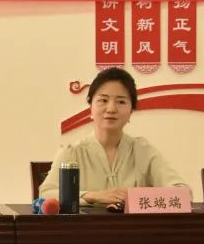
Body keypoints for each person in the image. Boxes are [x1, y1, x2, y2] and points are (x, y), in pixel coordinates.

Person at [38, 67, 187, 207]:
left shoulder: (143, 150)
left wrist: (135, 197)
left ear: (131, 111)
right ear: (90, 107)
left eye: (121, 101)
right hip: (86, 226)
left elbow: (183, 193)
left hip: (133, 226)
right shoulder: (72, 152)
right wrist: (91, 196)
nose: (111, 109)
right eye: (103, 100)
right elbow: (46, 194)